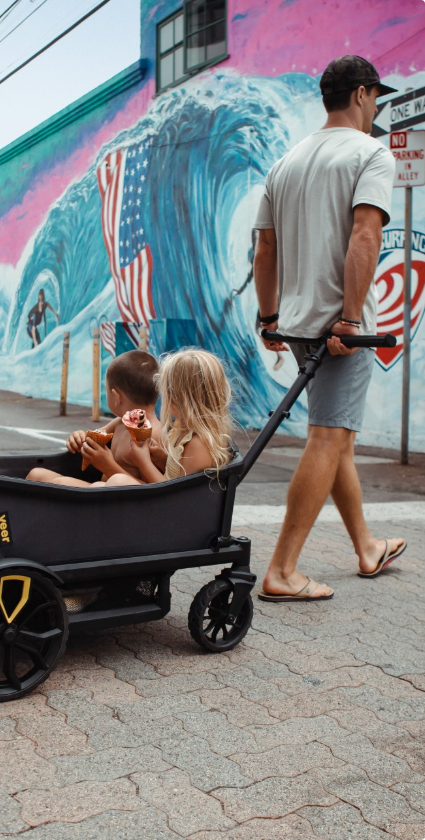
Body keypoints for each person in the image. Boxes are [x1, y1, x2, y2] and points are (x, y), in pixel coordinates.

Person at [253, 55, 406, 602]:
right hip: (339, 327)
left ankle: (365, 546)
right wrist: (348, 317)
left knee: (335, 431)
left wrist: (269, 317)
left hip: (296, 323)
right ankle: (282, 570)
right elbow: (365, 236)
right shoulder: (371, 154)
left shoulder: (287, 162)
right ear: (363, 94)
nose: (376, 108)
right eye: (376, 98)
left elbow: (265, 247)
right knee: (330, 435)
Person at [27, 350, 161, 486]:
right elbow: (91, 439)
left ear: (116, 397)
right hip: (100, 493)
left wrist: (108, 465)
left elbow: (149, 490)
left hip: (119, 500)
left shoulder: (154, 434)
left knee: (61, 483)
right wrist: (79, 438)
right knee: (36, 475)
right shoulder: (119, 423)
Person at [104, 348, 234, 487]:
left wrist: (143, 462)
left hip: (169, 505)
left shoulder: (199, 444)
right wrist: (162, 458)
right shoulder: (181, 429)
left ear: (180, 398)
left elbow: (175, 494)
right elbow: (178, 473)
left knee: (117, 481)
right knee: (98, 486)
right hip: (165, 502)